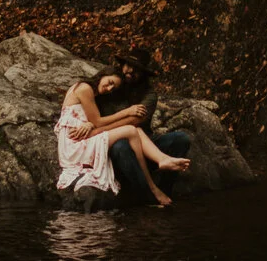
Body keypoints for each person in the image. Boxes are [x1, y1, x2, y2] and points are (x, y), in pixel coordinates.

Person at [55, 64, 190, 207]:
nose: (109, 88)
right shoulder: (85, 88)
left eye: (113, 88)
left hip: (85, 134)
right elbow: (98, 120)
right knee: (131, 130)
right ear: (103, 75)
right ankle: (152, 186)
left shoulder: (146, 94)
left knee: (136, 130)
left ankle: (162, 162)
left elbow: (92, 119)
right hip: (74, 142)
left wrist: (90, 124)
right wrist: (128, 111)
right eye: (110, 83)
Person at [98, 51, 195, 210]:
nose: (130, 71)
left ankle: (165, 190)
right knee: (121, 146)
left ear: (143, 74)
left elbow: (136, 122)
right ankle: (149, 194)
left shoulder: (149, 94)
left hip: (145, 144)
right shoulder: (111, 84)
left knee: (181, 139)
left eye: (136, 69)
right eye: (128, 65)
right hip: (117, 143)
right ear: (122, 66)